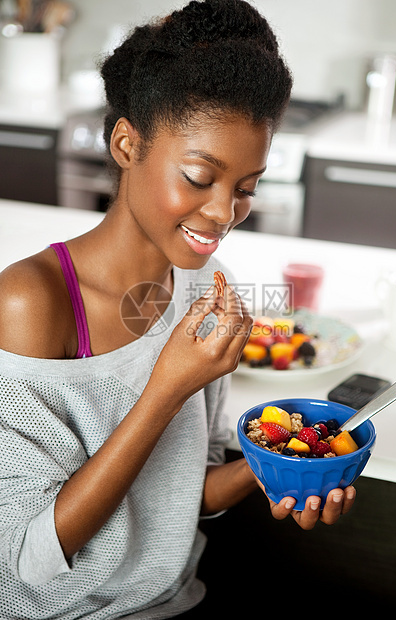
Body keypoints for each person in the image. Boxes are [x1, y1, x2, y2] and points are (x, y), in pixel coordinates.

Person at [0, 1, 356, 617]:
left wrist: (287, 465)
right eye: (198, 177)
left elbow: (189, 492)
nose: (223, 213)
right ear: (126, 143)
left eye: (245, 188)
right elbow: (30, 561)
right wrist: (169, 386)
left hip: (173, 601)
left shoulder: (207, 284)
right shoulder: (33, 301)